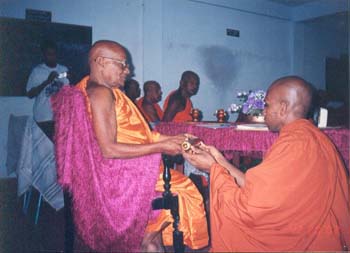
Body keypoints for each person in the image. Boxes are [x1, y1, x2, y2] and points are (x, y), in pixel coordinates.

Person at [183, 76, 350, 252]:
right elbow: (256, 186)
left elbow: (252, 208)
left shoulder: (295, 143)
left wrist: (212, 169)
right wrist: (219, 160)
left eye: (267, 105)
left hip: (310, 241)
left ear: (283, 108)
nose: (264, 111)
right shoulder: (311, 136)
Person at [74, 40, 208, 251]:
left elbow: (135, 134)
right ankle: (146, 241)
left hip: (124, 166)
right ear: (100, 62)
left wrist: (170, 139)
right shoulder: (101, 93)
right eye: (122, 64)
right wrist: (161, 147)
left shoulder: (96, 89)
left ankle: (150, 243)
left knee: (154, 243)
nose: (128, 71)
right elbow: (108, 149)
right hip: (123, 174)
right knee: (188, 188)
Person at [26, 40, 69, 138]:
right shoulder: (37, 71)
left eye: (54, 54)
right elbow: (30, 94)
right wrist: (47, 81)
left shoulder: (63, 69)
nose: (52, 56)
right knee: (50, 149)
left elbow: (69, 91)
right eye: (49, 54)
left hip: (61, 116)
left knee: (61, 147)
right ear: (44, 55)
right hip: (43, 117)